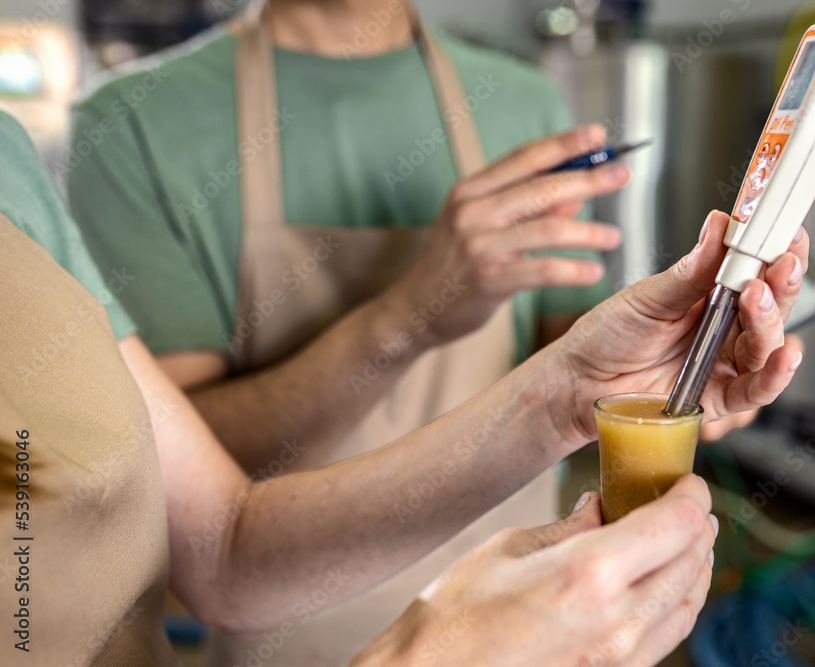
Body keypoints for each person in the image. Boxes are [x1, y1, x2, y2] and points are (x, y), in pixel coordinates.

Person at [0, 109, 807, 666]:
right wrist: (427, 651)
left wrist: (567, 390)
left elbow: (224, 547)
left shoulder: (11, 167)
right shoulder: (142, 128)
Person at [66, 1, 631, 658]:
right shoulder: (134, 123)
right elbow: (186, 473)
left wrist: (677, 363)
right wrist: (411, 313)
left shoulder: (525, 105)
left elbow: (580, 369)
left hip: (530, 628)